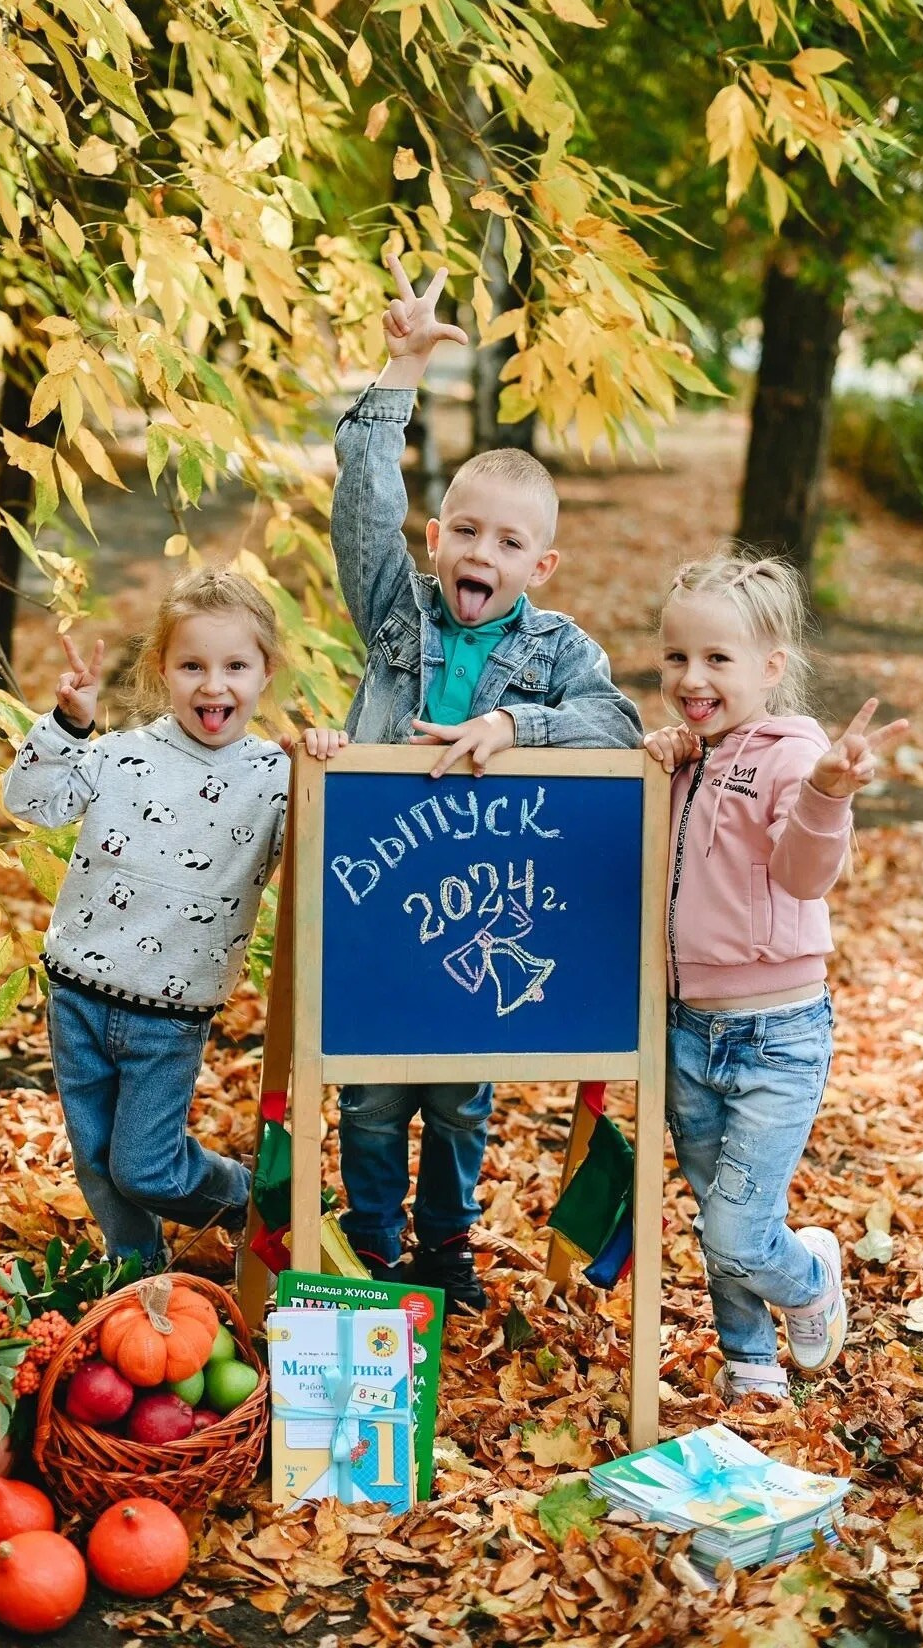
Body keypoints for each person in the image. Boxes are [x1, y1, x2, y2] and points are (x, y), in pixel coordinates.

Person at [329, 249, 643, 1309]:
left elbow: (615, 723)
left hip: (484, 900)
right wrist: (399, 376)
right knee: (369, 1093)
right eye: (464, 531)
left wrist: (515, 724)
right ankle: (368, 1245)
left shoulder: (553, 650)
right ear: (437, 538)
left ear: (536, 567)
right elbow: (362, 514)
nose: (481, 552)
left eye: (507, 542)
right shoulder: (397, 615)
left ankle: (445, 1252)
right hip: (375, 886)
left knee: (462, 1093)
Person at [3, 567, 346, 1271]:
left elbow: (331, 859)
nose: (212, 686)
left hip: (171, 1013)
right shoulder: (119, 755)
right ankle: (136, 1272)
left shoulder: (278, 778)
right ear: (162, 668)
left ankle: (256, 1200)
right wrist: (68, 725)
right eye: (192, 665)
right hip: (77, 994)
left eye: (234, 667)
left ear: (264, 673)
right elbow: (34, 803)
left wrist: (328, 768)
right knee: (98, 1166)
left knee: (146, 1168)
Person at [644, 551, 907, 1401]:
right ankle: (752, 1361)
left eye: (718, 659)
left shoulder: (792, 755)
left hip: (778, 1034)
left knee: (737, 1227)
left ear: (771, 667)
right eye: (677, 656)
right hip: (689, 1029)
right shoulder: (689, 757)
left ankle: (812, 1279)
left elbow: (802, 872)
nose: (693, 677)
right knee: (719, 1208)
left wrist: (828, 794)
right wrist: (660, 760)